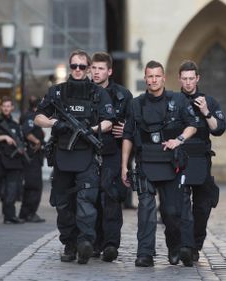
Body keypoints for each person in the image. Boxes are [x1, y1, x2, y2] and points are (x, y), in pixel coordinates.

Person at [34, 49, 114, 265]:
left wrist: (92, 129)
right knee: (63, 204)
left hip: (87, 155)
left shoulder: (98, 93)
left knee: (86, 201)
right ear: (70, 67)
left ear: (88, 68)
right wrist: (54, 123)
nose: (77, 70)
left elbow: (109, 121)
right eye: (74, 66)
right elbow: (38, 117)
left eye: (81, 66)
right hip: (62, 156)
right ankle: (70, 244)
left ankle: (85, 242)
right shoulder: (57, 92)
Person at [121, 60, 197, 267]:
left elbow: (193, 125)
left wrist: (179, 140)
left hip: (171, 164)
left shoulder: (178, 99)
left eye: (157, 76)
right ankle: (144, 253)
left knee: (171, 212)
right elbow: (128, 136)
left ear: (163, 78)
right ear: (145, 79)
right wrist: (124, 166)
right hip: (146, 163)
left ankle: (174, 247)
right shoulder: (136, 104)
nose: (153, 80)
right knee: (145, 209)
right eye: (150, 76)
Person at [178, 60, 226, 262]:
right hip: (179, 160)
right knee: (180, 206)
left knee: (202, 206)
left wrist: (206, 111)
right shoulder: (173, 100)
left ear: (197, 78)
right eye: (184, 79)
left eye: (191, 78)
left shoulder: (210, 101)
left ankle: (195, 244)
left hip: (201, 160)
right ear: (179, 79)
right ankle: (185, 247)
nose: (188, 83)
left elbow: (218, 129)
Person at [90, 52, 133, 262]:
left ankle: (110, 245)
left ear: (109, 71)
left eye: (100, 69)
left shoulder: (123, 95)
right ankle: (94, 243)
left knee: (111, 199)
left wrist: (127, 129)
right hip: (88, 154)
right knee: (91, 199)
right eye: (94, 68)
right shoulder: (84, 92)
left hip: (113, 153)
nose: (96, 72)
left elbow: (134, 125)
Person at [0, 96, 26, 224]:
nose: (7, 108)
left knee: (11, 189)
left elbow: (21, 141)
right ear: (1, 107)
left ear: (12, 108)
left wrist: (21, 148)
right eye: (4, 106)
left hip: (13, 160)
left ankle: (9, 216)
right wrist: (4, 137)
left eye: (9, 106)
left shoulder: (15, 124)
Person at [18, 96, 46, 223]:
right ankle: (30, 213)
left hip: (31, 156)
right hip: (32, 156)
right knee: (35, 186)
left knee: (30, 186)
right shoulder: (31, 116)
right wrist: (37, 141)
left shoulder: (28, 114)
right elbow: (26, 131)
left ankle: (25, 213)